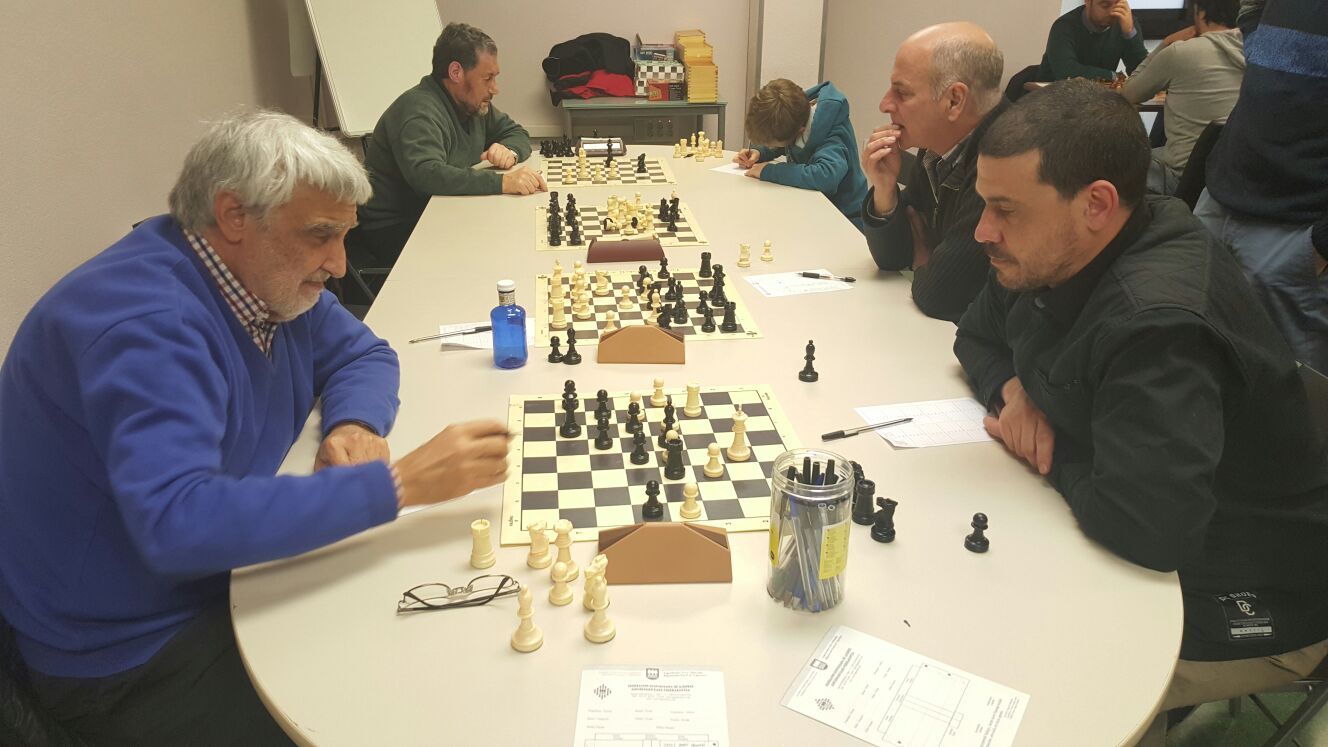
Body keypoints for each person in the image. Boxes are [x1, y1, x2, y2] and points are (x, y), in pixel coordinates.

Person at [0, 111, 510, 744]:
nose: (339, 264)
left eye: (344, 236)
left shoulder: (264, 278)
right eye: (320, 235)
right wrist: (398, 485)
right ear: (234, 215)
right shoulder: (146, 326)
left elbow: (365, 354)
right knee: (388, 712)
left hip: (224, 577)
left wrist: (354, 422)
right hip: (129, 651)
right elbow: (178, 524)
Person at [953, 80, 1328, 745]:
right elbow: (975, 336)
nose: (984, 230)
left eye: (1004, 209)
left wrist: (1048, 449)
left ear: (1097, 204)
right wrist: (1013, 393)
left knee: (1010, 666)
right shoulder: (1052, 246)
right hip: (1155, 519)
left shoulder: (1158, 320)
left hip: (1249, 587)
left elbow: (1146, 530)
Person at [1194, 0, 1328, 373]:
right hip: (1222, 198)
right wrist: (1261, 48)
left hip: (1296, 234)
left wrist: (1321, 244)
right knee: (1202, 362)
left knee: (1292, 389)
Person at [348, 22, 543, 272]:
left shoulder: (472, 104)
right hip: (396, 228)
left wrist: (509, 151)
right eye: (487, 78)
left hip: (439, 209)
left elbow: (517, 133)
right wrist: (502, 182)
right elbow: (428, 175)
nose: (495, 88)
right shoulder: (418, 111)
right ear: (456, 72)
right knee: (488, 256)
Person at [859, 22, 1007, 322]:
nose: (885, 104)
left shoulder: (1004, 161)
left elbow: (940, 295)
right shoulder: (936, 146)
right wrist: (885, 189)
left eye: (902, 93)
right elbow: (893, 259)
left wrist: (924, 258)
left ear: (954, 100)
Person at [1118, 0, 1244, 195]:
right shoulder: (1254, 54)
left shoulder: (1180, 52)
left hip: (1182, 178)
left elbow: (1129, 93)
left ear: (1200, 12)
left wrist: (1165, 43)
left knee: (1117, 160)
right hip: (1230, 176)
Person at [733, 79, 868, 228]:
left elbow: (826, 177)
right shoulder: (795, 115)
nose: (771, 146)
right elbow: (786, 142)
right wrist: (760, 152)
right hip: (814, 207)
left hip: (845, 217)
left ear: (800, 132)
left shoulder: (831, 132)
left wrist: (770, 171)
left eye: (771, 144)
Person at [1037, 0, 1148, 81]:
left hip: (1097, 98)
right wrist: (1113, 76)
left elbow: (1142, 74)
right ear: (1087, 2)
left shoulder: (1126, 23)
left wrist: (1129, 33)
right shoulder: (1064, 26)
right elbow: (1066, 72)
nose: (1112, 12)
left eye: (1118, 5)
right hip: (1052, 98)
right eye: (1105, 5)